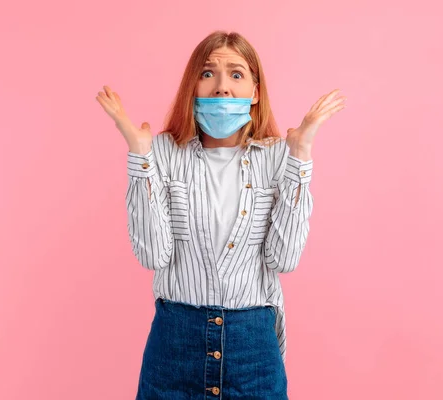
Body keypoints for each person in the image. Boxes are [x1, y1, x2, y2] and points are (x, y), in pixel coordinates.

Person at [96, 30, 345, 399]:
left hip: (253, 348)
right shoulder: (162, 152)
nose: (222, 87)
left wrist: (301, 155)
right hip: (175, 343)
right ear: (192, 85)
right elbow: (153, 255)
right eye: (209, 73)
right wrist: (140, 157)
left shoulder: (279, 156)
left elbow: (284, 259)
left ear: (255, 93)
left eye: (237, 74)